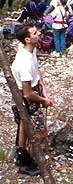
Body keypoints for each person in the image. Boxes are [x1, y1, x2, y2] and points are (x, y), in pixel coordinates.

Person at [11, 22, 53, 175]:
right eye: (35, 33)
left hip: (31, 92)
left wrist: (44, 90)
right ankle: (28, 161)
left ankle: (22, 158)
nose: (39, 34)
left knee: (23, 124)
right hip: (27, 98)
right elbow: (28, 93)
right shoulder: (24, 62)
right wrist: (43, 100)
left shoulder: (29, 51)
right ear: (27, 39)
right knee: (40, 133)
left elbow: (37, 72)